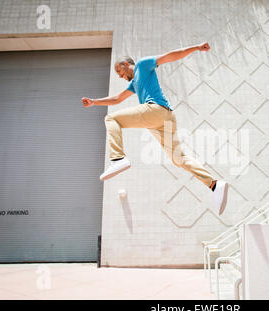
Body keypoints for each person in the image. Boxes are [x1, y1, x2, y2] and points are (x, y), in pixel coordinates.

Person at [81, 42, 228, 215]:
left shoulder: (143, 64)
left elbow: (171, 55)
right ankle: (214, 184)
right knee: (178, 159)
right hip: (163, 120)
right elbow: (117, 99)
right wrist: (94, 102)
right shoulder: (135, 83)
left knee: (111, 118)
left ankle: (118, 158)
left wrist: (195, 48)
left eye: (119, 72)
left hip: (155, 110)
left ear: (125, 64)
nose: (120, 76)